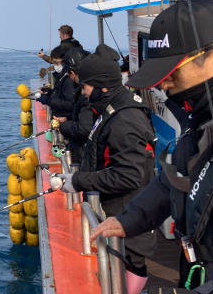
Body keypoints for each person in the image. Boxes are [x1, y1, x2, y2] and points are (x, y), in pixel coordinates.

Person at [91, 0, 213, 293]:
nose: (163, 84)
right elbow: (176, 179)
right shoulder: (204, 110)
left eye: (172, 72)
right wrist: (132, 219)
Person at [50, 43, 157, 269]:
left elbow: (128, 177)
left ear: (102, 86)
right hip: (116, 217)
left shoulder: (125, 120)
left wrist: (77, 181)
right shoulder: (113, 108)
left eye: (85, 86)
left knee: (128, 273)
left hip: (127, 223)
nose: (83, 92)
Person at [54, 48, 94, 164]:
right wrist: (68, 119)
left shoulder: (88, 95)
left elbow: (84, 129)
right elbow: (87, 118)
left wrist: (63, 127)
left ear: (72, 72)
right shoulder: (89, 90)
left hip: (84, 153)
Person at [36, 46, 75, 119]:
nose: (55, 65)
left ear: (64, 61)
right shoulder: (62, 76)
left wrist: (48, 100)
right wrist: (50, 92)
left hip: (64, 119)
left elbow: (69, 104)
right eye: (54, 63)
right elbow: (62, 93)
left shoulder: (70, 80)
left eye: (57, 63)